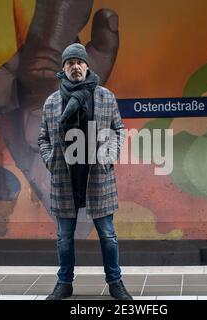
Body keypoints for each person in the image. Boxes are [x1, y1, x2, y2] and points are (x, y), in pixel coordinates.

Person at [38, 43, 132, 300]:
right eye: (70, 63)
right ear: (64, 69)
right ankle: (64, 284)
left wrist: (110, 156)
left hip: (97, 176)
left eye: (80, 62)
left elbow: (118, 129)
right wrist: (50, 160)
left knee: (108, 236)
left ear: (87, 66)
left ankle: (115, 283)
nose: (75, 67)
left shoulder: (104, 97)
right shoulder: (52, 102)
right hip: (65, 177)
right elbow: (43, 138)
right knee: (64, 238)